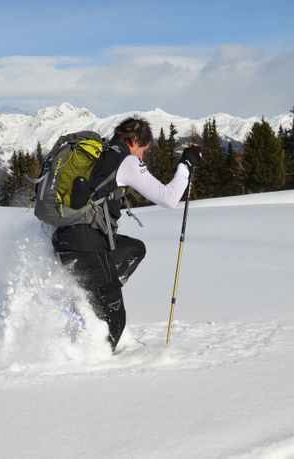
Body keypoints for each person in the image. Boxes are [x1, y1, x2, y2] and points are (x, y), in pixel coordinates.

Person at [52, 117, 201, 351]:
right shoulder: (126, 161)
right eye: (143, 149)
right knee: (115, 320)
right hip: (88, 245)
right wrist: (185, 166)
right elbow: (169, 198)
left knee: (134, 249)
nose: (142, 156)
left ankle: (94, 295)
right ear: (133, 141)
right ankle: (92, 366)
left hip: (65, 237)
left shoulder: (100, 152)